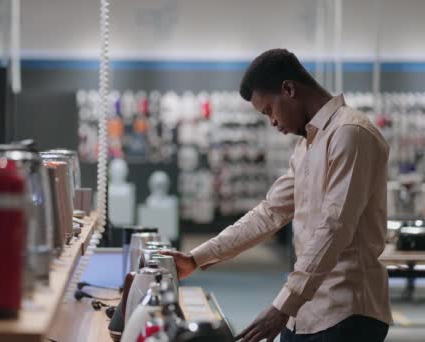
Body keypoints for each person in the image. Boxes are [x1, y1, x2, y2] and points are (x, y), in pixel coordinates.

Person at [162, 49, 392, 342]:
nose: (271, 121)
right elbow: (270, 212)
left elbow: (335, 228)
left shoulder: (351, 134)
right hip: (304, 312)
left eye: (269, 109)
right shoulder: (307, 145)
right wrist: (196, 258)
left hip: (346, 313)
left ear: (289, 89)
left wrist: (283, 305)